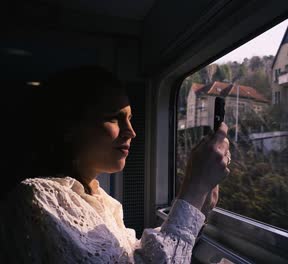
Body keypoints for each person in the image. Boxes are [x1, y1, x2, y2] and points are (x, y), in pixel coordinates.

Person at [0, 65, 231, 263]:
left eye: (129, 119)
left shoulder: (107, 204)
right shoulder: (36, 198)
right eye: (114, 118)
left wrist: (200, 205)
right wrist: (193, 188)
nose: (131, 132)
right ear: (68, 127)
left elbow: (134, 257)